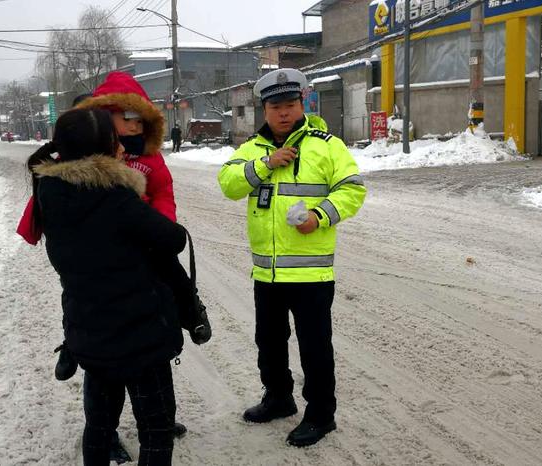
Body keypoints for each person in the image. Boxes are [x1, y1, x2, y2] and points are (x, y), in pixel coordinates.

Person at [217, 68, 366, 447]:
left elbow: (352, 191)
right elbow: (228, 185)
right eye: (275, 106)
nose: (283, 112)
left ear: (303, 104)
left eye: (290, 104)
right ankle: (279, 398)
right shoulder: (252, 149)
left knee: (315, 346)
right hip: (266, 272)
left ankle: (321, 414)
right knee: (269, 340)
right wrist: (267, 164)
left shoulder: (327, 145)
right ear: (264, 110)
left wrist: (320, 216)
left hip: (311, 273)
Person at [28, 108, 186, 465]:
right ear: (103, 147)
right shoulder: (116, 197)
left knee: (98, 426)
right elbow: (172, 239)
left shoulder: (50, 190)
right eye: (115, 140)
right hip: (140, 336)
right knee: (156, 428)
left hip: (89, 333)